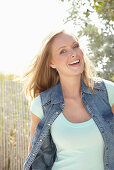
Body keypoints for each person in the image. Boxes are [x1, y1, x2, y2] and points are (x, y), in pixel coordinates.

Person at [22, 29, 114, 170]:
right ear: (51, 63)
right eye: (62, 51)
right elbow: (35, 159)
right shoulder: (41, 105)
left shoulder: (108, 92)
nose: (73, 53)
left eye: (75, 46)